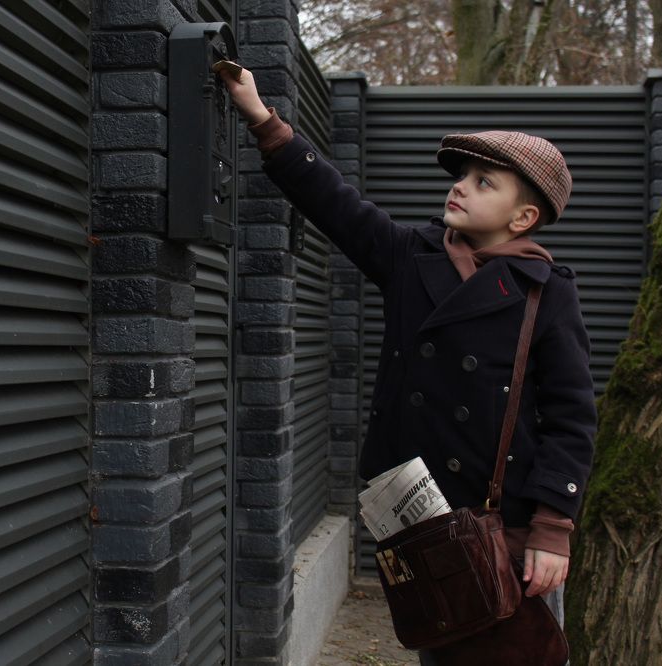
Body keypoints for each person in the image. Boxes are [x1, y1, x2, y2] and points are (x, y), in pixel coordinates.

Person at [218, 66, 596, 663]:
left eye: (483, 182)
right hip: (425, 519)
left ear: (523, 217)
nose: (460, 188)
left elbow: (571, 418)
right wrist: (264, 120)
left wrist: (553, 528)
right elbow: (335, 204)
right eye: (461, 176)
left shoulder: (547, 292)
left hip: (511, 527)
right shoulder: (410, 258)